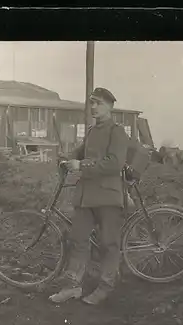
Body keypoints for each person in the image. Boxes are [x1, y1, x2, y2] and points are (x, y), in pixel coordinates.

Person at [49, 87, 129, 305]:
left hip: (108, 197)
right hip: (86, 196)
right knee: (78, 241)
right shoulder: (93, 131)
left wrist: (82, 164)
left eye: (98, 103)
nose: (93, 107)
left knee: (108, 244)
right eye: (91, 102)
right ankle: (73, 286)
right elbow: (80, 151)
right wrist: (67, 158)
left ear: (110, 107)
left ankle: (105, 286)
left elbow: (115, 163)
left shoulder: (117, 132)